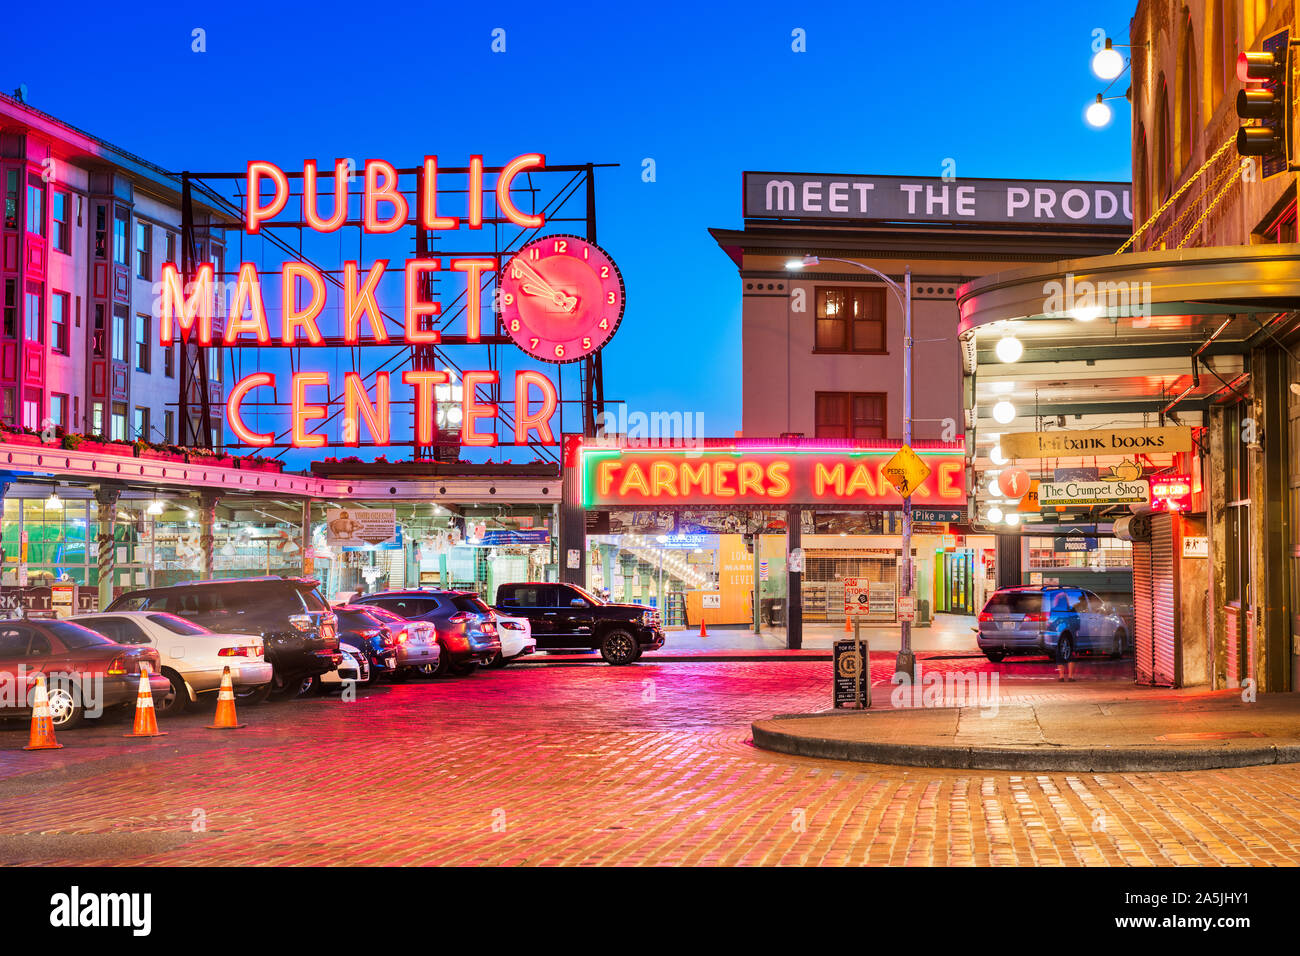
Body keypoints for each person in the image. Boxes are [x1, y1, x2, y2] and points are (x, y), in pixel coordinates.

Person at [1053, 591, 1077, 682]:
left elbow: (1052, 623)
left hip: (1059, 636)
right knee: (1071, 654)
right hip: (1071, 635)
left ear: (1057, 600)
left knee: (1059, 654)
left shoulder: (1054, 609)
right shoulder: (1071, 609)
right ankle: (1071, 676)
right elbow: (1077, 622)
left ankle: (1061, 676)